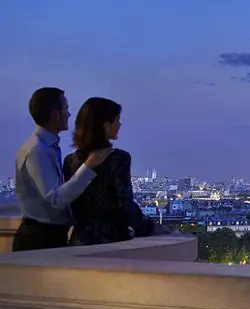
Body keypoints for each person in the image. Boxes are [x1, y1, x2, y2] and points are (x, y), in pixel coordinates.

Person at [12, 87, 113, 252]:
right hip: (39, 239)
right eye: (66, 108)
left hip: (46, 236)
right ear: (55, 114)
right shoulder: (37, 150)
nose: (69, 114)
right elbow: (56, 199)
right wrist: (89, 166)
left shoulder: (44, 147)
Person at [63, 97, 154, 245]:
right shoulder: (118, 159)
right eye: (117, 120)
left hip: (79, 239)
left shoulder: (70, 161)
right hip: (111, 238)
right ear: (106, 125)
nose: (120, 124)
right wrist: (149, 227)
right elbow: (125, 204)